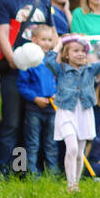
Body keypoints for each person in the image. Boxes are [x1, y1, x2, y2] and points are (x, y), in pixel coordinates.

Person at [0, 0, 54, 173]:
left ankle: (24, 170)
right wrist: (14, 61)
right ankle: (5, 171)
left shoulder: (44, 1)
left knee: (31, 126)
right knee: (12, 124)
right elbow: (2, 37)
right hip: (14, 73)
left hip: (39, 75)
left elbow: (51, 34)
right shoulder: (6, 2)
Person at [47, 36, 100, 191]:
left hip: (84, 113)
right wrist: (59, 44)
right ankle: (70, 184)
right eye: (75, 51)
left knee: (79, 152)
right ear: (66, 55)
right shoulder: (61, 69)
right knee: (72, 148)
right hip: (67, 111)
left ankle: (75, 184)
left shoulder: (90, 70)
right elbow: (48, 61)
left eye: (82, 51)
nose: (80, 54)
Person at [17, 24, 60, 177]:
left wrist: (57, 94)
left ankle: (52, 174)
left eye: (50, 40)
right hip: (34, 109)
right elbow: (22, 85)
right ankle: (31, 174)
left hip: (52, 109)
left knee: (51, 144)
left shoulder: (54, 61)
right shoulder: (29, 62)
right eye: (43, 39)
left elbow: (60, 81)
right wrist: (35, 98)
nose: (47, 43)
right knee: (33, 143)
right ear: (34, 40)